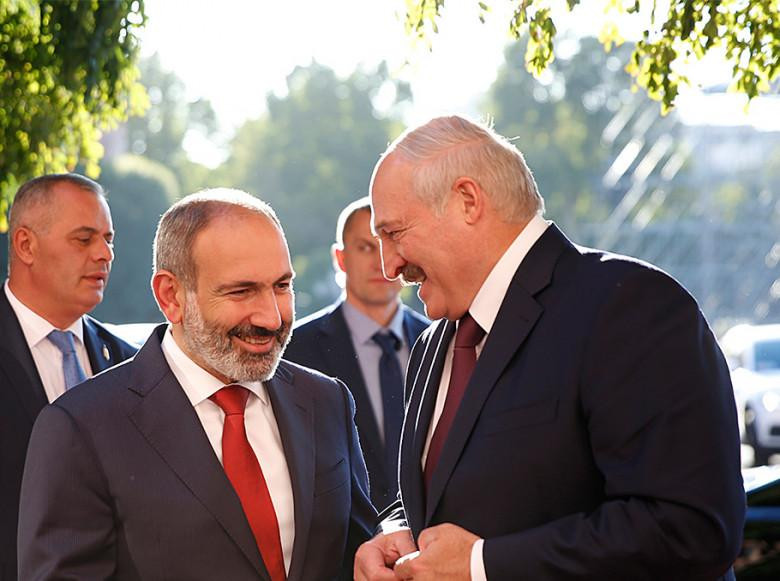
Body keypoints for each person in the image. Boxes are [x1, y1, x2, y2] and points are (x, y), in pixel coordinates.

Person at [354, 116, 745, 580]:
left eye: (394, 233)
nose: (389, 266)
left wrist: (482, 566)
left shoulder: (631, 306)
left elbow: (690, 529)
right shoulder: (432, 346)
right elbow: (453, 491)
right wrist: (397, 533)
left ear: (467, 201)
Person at [18, 188, 375, 580]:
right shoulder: (81, 429)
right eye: (241, 291)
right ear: (171, 296)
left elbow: (361, 553)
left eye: (281, 286)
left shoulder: (326, 400)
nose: (272, 318)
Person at [0, 173, 138, 581]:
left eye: (109, 239)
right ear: (26, 245)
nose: (104, 254)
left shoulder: (129, 362)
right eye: (84, 239)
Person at [285, 197, 429, 510]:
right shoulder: (293, 349)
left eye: (390, 246)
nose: (380, 262)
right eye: (365, 247)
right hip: (341, 533)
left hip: (430, 531)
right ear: (340, 258)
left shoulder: (440, 341)